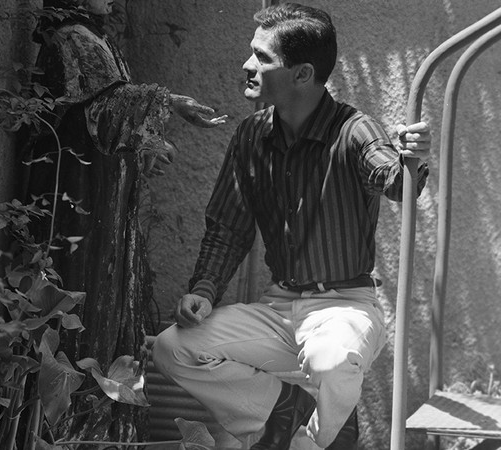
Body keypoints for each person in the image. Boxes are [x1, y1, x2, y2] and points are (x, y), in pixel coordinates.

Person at [152, 3, 430, 450]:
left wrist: (412, 158)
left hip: (344, 308)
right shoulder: (250, 135)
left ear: (302, 74)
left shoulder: (354, 130)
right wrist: (202, 291)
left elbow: (394, 180)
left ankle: (314, 441)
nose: (247, 65)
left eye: (262, 58)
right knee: (172, 348)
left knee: (332, 358)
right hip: (279, 310)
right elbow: (228, 227)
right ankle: (283, 409)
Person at [21, 0, 226, 442]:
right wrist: (169, 103)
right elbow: (97, 114)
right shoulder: (70, 36)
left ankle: (93, 431)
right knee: (75, 311)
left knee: (103, 310)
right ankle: (68, 434)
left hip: (100, 207)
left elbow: (105, 117)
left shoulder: (91, 34)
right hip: (75, 203)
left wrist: (143, 145)